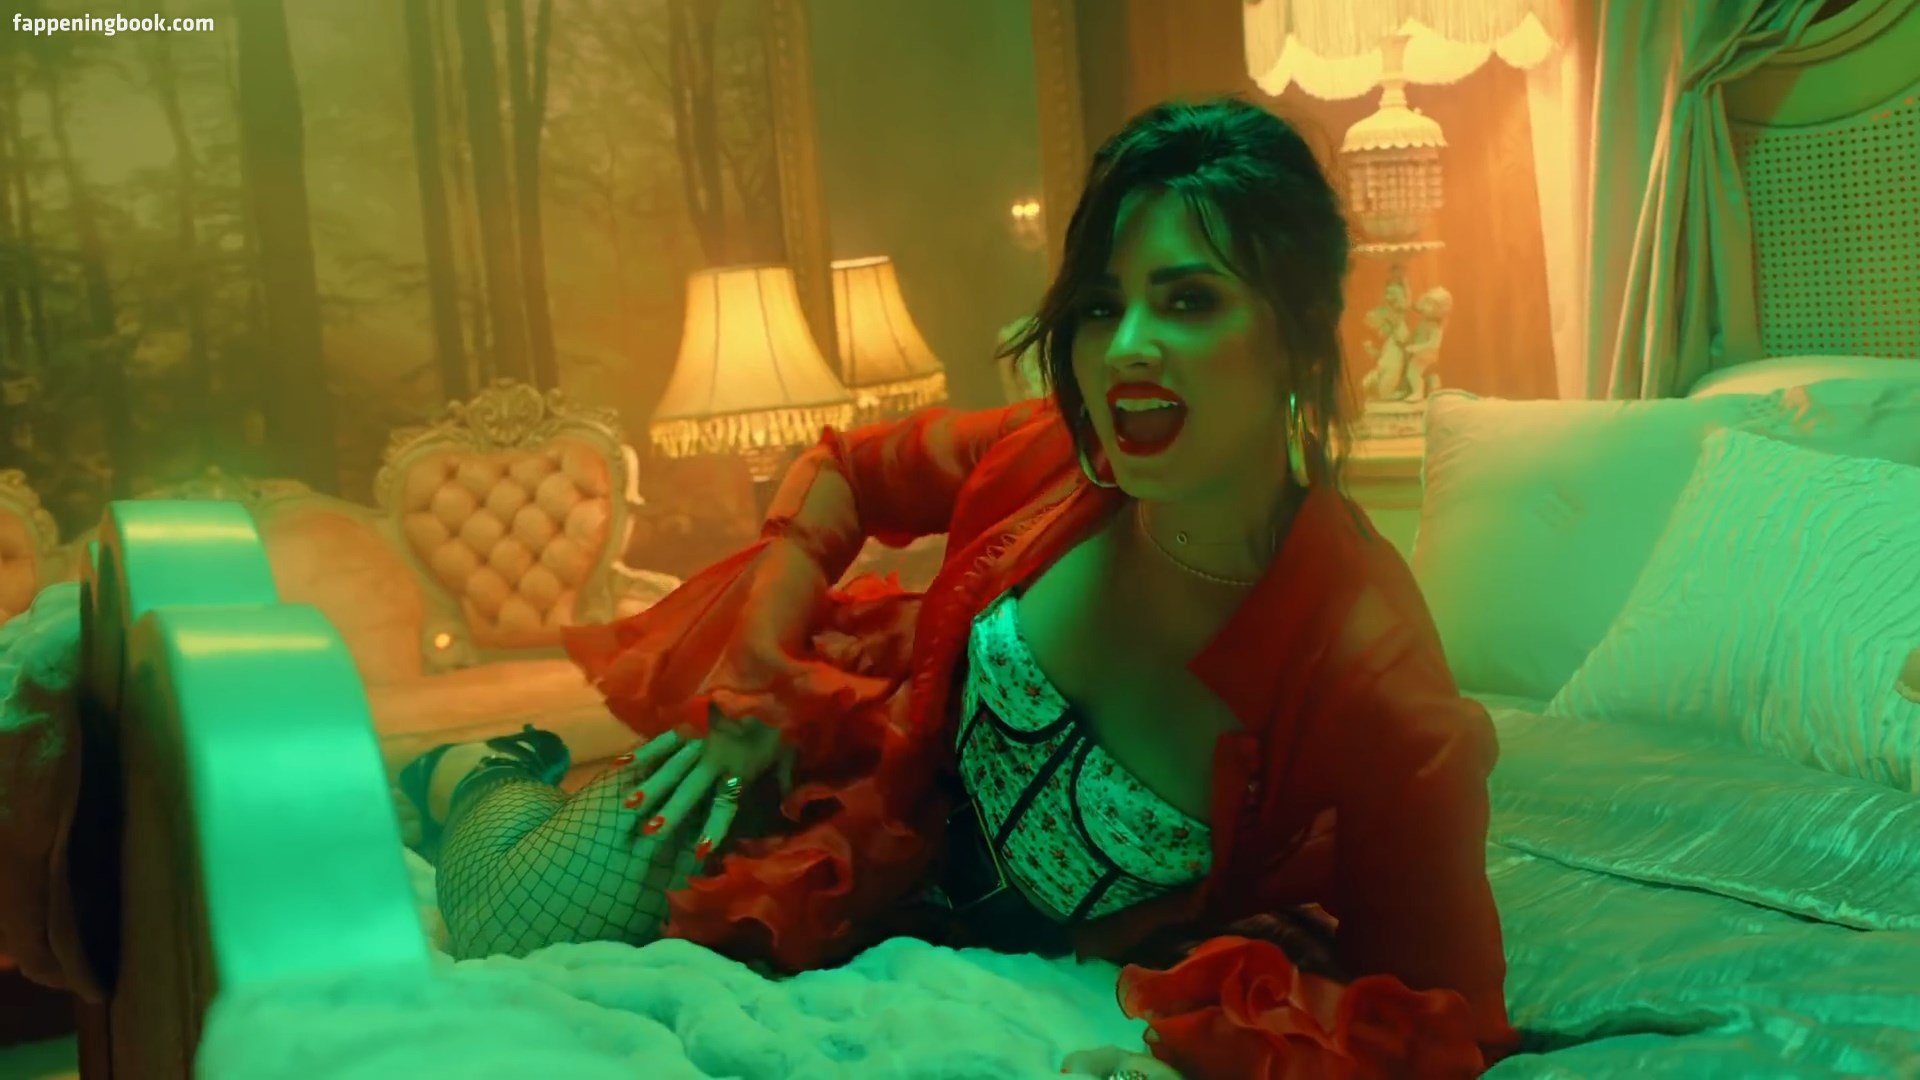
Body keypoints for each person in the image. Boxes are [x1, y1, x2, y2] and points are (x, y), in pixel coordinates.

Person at [404, 96, 1516, 1078]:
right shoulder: (1051, 458)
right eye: (1101, 305)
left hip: (958, 931)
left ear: (1298, 339)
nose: (1126, 348)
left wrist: (1221, 1060)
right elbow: (843, 470)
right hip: (833, 790)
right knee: (508, 917)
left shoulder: (1372, 667)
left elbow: (1448, 1014)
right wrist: (759, 682)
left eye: (1187, 301)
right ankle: (486, 768)